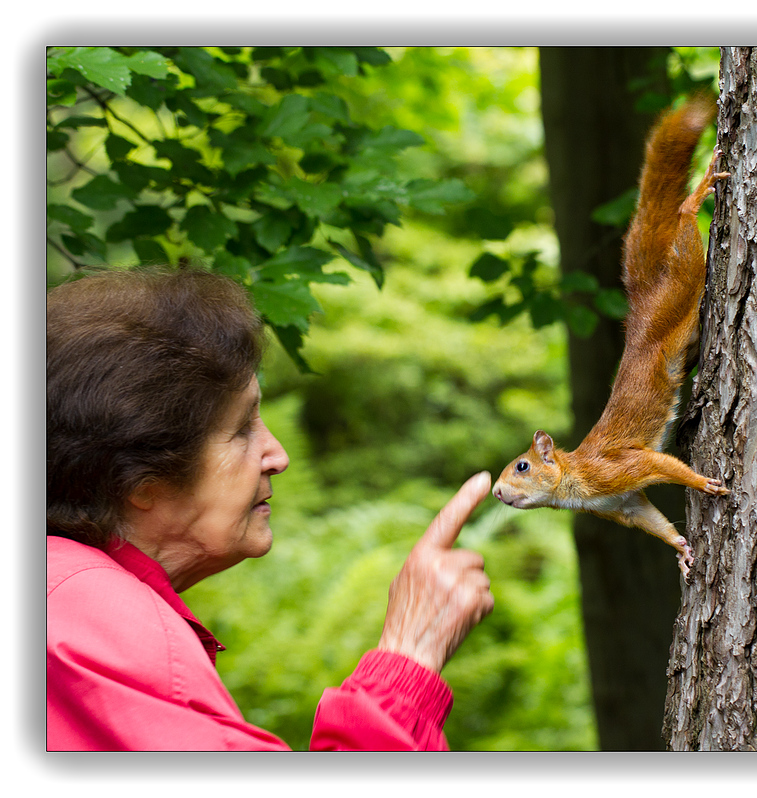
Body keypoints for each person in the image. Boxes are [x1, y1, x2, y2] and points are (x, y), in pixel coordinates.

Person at [47, 267, 494, 751]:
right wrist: (409, 657)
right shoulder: (95, 620)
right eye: (241, 430)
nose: (278, 455)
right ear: (138, 478)